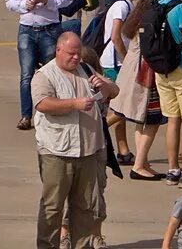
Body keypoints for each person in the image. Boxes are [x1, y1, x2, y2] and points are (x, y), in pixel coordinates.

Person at [31, 30, 115, 249]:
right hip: (57, 153)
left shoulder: (86, 69)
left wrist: (104, 87)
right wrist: (74, 104)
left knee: (85, 207)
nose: (76, 58)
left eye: (78, 53)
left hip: (88, 152)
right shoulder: (45, 75)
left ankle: (83, 245)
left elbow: (114, 90)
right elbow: (42, 104)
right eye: (71, 53)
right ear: (58, 50)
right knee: (53, 207)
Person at [6, 0, 86, 131]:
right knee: (26, 74)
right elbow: (9, 2)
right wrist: (25, 5)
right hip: (26, 29)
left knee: (53, 71)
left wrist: (46, 1)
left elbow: (64, 1)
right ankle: (26, 115)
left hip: (49, 29)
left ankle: (56, 107)